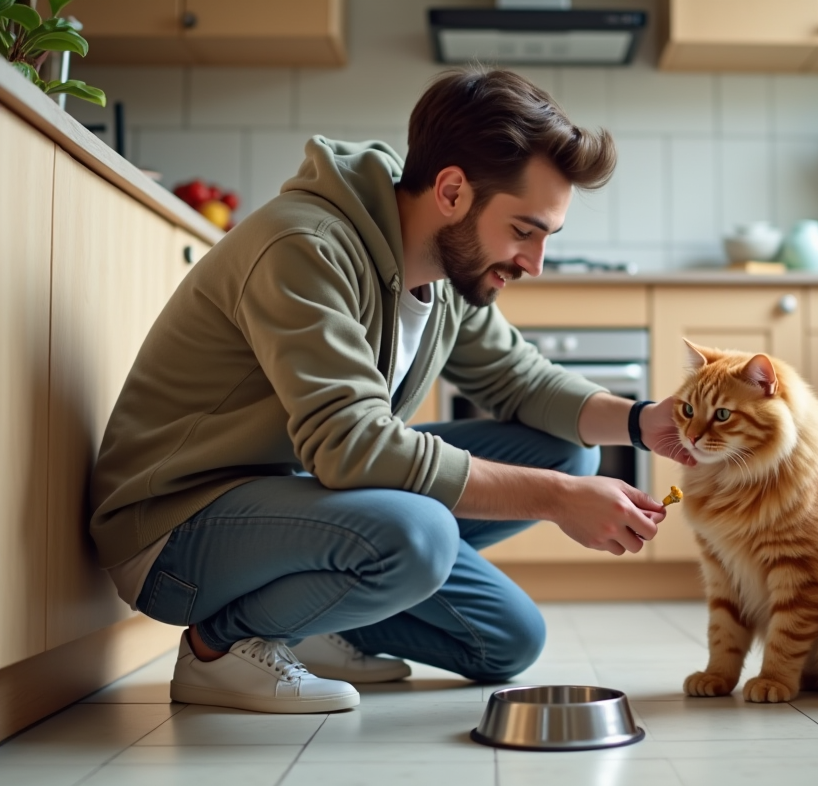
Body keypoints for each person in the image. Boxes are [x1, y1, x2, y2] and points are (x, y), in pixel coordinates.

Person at [89, 66, 692, 715]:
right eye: (523, 230)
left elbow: (522, 380)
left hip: (301, 505)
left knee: (512, 627)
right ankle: (220, 648)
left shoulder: (449, 276)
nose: (534, 262)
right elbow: (350, 448)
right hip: (175, 530)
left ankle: (311, 622)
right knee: (428, 531)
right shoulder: (305, 246)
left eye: (547, 236)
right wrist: (559, 500)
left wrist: (644, 422)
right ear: (454, 191)